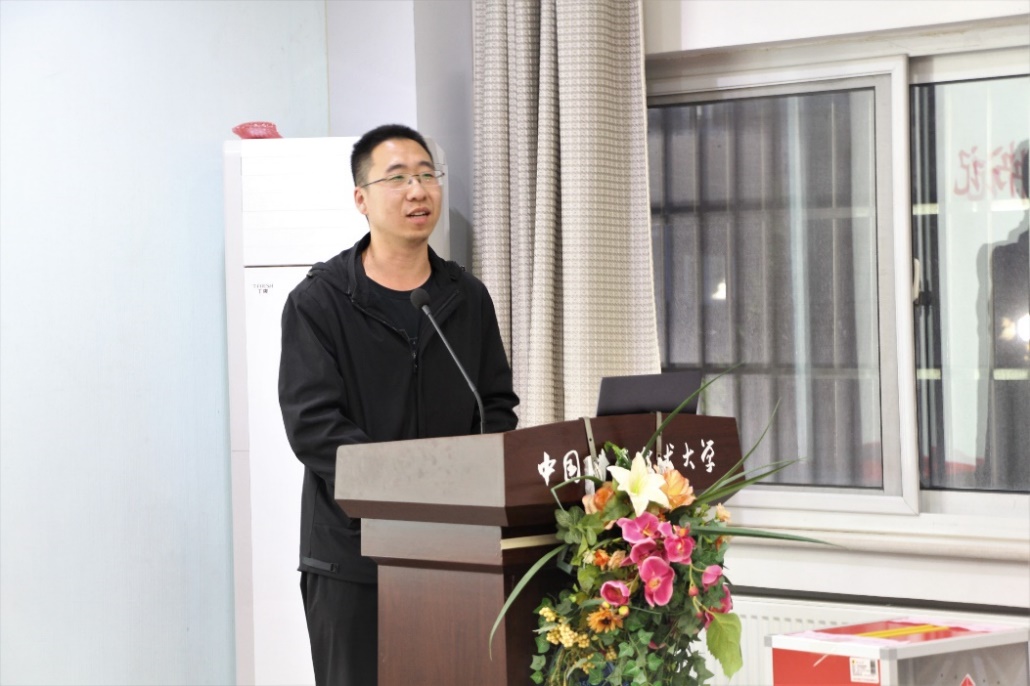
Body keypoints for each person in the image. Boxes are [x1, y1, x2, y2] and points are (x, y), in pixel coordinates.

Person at [277, 123, 519, 685]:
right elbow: (314, 426)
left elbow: (496, 405)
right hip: (352, 557)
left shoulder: (465, 297)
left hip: (455, 553)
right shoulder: (320, 302)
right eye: (398, 178)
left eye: (428, 175)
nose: (418, 190)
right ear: (361, 199)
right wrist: (407, 488)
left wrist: (468, 487)